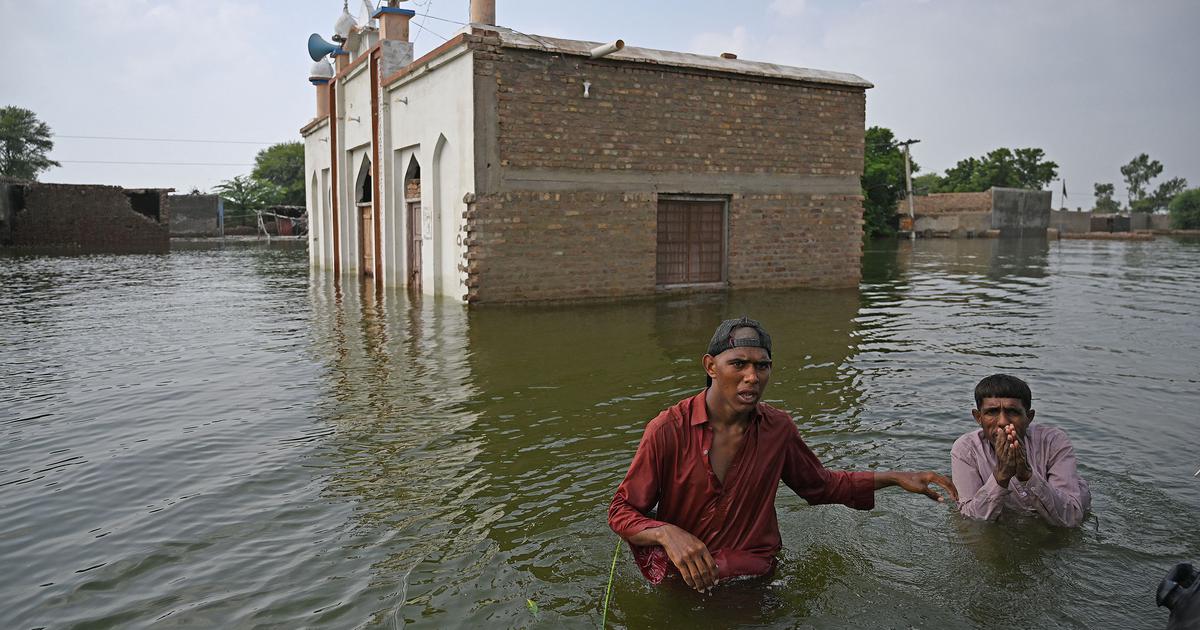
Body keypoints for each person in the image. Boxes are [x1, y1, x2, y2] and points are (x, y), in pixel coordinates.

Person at [607, 316, 958, 592]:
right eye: (738, 364)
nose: (752, 377)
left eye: (762, 366)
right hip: (686, 580)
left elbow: (820, 486)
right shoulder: (668, 429)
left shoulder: (778, 428)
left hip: (754, 579)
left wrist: (894, 477)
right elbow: (622, 511)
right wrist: (667, 533)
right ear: (711, 366)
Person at [950, 373, 1091, 527]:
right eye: (992, 412)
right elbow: (970, 520)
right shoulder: (965, 449)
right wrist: (1001, 476)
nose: (1003, 422)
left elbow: (1072, 517)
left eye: (1013, 412)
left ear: (1029, 417)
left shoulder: (1053, 442)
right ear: (978, 417)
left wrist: (1027, 475)